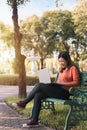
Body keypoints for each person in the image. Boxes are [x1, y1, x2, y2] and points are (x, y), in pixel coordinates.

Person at [13, 51, 80, 127]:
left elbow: (76, 82)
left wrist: (62, 84)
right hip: (58, 90)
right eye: (60, 61)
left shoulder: (72, 68)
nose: (61, 63)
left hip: (65, 93)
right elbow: (59, 82)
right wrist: (52, 84)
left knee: (39, 85)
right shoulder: (61, 70)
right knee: (38, 95)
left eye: (63, 61)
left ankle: (24, 103)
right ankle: (34, 120)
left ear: (67, 60)